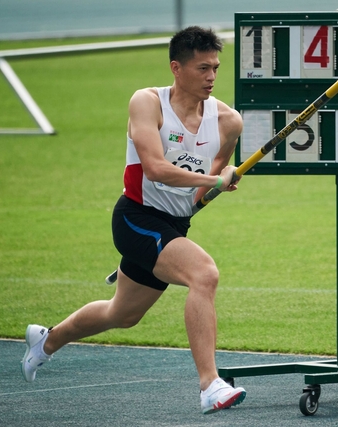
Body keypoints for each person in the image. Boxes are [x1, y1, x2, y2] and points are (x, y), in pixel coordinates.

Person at [21, 26, 247, 415]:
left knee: (121, 314)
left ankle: (46, 341)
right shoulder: (148, 103)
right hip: (135, 218)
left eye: (215, 68)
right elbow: (157, 169)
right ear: (176, 68)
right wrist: (214, 178)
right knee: (204, 274)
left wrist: (218, 185)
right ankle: (210, 385)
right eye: (202, 68)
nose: (211, 76)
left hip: (175, 226)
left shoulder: (229, 122)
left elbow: (198, 195)